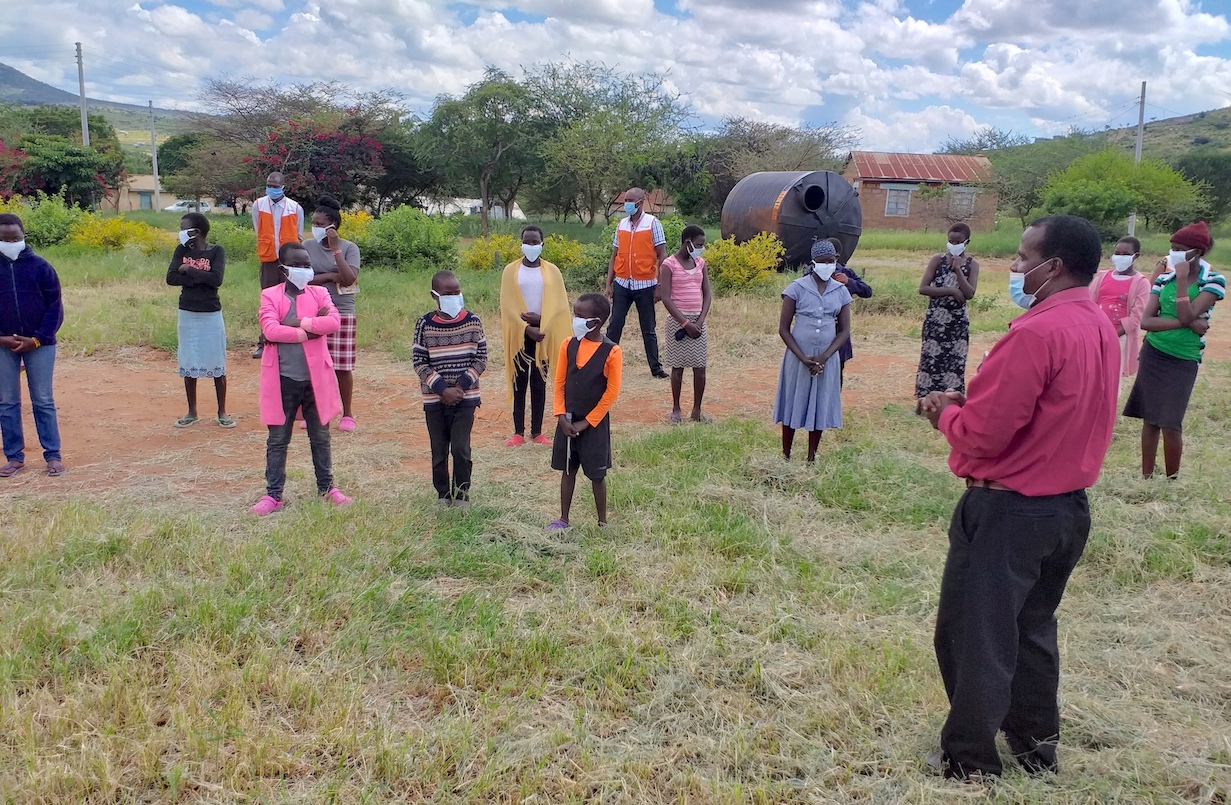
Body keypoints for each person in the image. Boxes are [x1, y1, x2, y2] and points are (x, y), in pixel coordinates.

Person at [919, 215, 1119, 781]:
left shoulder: (1035, 333)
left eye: (1024, 256)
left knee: (975, 635)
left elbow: (985, 434)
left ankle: (971, 759)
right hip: (1066, 509)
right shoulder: (1098, 324)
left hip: (1009, 509)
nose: (1014, 265)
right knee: (1032, 630)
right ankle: (1036, 746)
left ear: (1052, 266)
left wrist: (947, 412)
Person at [249, 243, 350, 515]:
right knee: (278, 438)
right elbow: (270, 330)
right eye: (298, 265)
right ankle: (273, 494)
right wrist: (309, 329)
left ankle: (327, 488)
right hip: (283, 378)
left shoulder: (319, 293)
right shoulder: (270, 295)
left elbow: (333, 322)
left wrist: (296, 323)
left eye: (307, 264)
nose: (305, 269)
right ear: (283, 269)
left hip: (316, 379)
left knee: (320, 436)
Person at [1123, 221, 1224, 479]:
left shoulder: (1213, 281)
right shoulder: (1163, 279)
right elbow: (1147, 321)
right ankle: (1146, 476)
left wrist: (1181, 282)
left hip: (1184, 357)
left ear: (1196, 252)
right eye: (1171, 248)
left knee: (1170, 422)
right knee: (1150, 419)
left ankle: (1171, 479)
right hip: (1154, 352)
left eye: (1180, 249)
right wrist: (1188, 323)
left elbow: (1186, 310)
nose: (1173, 254)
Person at [412, 271, 488, 508]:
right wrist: (442, 389)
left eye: (457, 292)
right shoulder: (424, 324)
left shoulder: (473, 322)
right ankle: (443, 494)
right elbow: (419, 361)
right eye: (448, 294)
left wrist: (460, 387)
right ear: (434, 295)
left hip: (466, 399)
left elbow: (481, 357)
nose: (454, 297)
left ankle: (462, 494)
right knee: (439, 450)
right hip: (435, 401)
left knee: (461, 448)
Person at [548, 293, 622, 531]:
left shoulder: (612, 351)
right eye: (575, 314)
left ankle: (602, 521)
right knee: (568, 470)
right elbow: (559, 382)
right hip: (567, 420)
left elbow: (611, 393)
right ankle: (563, 519)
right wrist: (560, 416)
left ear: (596, 322)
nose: (576, 319)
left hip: (594, 425)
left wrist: (586, 423)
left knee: (597, 475)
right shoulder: (568, 345)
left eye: (581, 316)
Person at [773, 240, 851, 462]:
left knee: (819, 403)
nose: (828, 266)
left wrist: (825, 357)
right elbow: (783, 328)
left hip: (827, 357)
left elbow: (844, 331)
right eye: (823, 262)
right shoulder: (796, 288)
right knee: (793, 400)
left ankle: (811, 457)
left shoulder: (841, 291)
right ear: (813, 262)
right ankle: (786, 455)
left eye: (832, 261)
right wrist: (802, 357)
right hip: (799, 356)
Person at [0, 213, 64, 478]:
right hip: (2, 344)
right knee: (6, 402)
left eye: (15, 238)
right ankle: (14, 457)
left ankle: (53, 456)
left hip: (40, 344)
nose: (10, 243)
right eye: (4, 239)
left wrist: (36, 339)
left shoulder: (41, 266)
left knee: (43, 400)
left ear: (24, 236)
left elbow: (55, 308)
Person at [500, 225, 570, 447]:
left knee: (539, 382)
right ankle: (518, 431)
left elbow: (560, 306)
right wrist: (525, 327)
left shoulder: (553, 272)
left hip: (544, 334)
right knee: (519, 381)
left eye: (534, 242)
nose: (531, 246)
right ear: (521, 243)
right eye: (527, 242)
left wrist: (541, 321)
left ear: (542, 244)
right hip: (519, 337)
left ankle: (537, 431)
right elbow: (507, 306)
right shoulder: (510, 271)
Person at [166, 212, 232, 429]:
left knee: (217, 363)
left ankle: (222, 411)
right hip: (188, 312)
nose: (181, 232)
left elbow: (217, 279)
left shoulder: (216, 251)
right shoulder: (181, 250)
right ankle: (192, 411)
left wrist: (189, 271)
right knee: (189, 361)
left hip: (211, 313)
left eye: (184, 228)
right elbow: (171, 278)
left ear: (197, 231)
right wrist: (198, 279)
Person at [304, 195, 361, 432]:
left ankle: (347, 413)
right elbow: (303, 278)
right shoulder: (307, 247)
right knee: (315, 365)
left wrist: (336, 250)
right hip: (314, 311)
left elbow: (349, 278)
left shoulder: (349, 248)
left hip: (342, 312)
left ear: (332, 226)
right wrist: (328, 276)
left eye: (319, 224)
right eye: (314, 224)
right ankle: (318, 411)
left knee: (342, 366)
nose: (315, 228)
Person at [604, 187, 668, 378]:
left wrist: (659, 285)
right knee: (614, 325)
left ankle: (656, 369)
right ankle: (606, 365)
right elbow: (615, 255)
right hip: (622, 284)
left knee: (648, 328)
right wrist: (609, 284)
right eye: (626, 200)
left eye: (631, 200)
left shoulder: (652, 223)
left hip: (646, 285)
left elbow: (662, 255)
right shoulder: (621, 224)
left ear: (640, 203)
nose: (627, 204)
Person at [916, 224, 979, 408]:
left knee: (955, 362)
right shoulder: (937, 260)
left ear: (967, 242)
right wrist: (951, 291)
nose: (953, 245)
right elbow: (923, 288)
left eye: (958, 242)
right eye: (951, 241)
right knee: (930, 360)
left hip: (957, 323)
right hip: (936, 320)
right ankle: (924, 403)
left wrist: (958, 269)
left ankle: (949, 403)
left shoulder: (972, 264)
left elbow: (969, 293)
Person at [659, 224, 713, 423]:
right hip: (677, 322)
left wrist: (698, 321)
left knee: (700, 368)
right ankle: (676, 408)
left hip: (698, 322)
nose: (701, 248)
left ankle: (697, 410)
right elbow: (666, 298)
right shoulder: (669, 264)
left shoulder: (700, 263)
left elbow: (707, 294)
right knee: (677, 367)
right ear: (687, 242)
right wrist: (684, 323)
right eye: (699, 244)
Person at [251, 172, 304, 359]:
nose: (272, 188)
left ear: (283, 186)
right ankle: (265, 341)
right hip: (268, 261)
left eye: (275, 185)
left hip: (289, 262)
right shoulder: (258, 205)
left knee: (291, 299)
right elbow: (259, 230)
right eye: (269, 185)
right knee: (268, 301)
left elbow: (299, 235)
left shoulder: (295, 208)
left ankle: (289, 338)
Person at [1089, 236, 1151, 383]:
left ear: (1136, 256)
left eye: (1126, 254)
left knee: (1111, 378)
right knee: (1091, 375)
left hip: (1120, 337)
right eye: (1117, 253)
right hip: (1096, 334)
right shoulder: (1102, 277)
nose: (1120, 257)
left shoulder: (1141, 283)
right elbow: (1090, 304)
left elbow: (1136, 317)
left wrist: (1111, 336)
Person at [826, 236, 873, 386]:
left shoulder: (846, 273)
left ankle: (833, 406)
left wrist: (849, 282)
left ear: (837, 256)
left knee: (836, 372)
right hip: (818, 329)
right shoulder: (811, 272)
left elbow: (867, 292)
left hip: (839, 330)